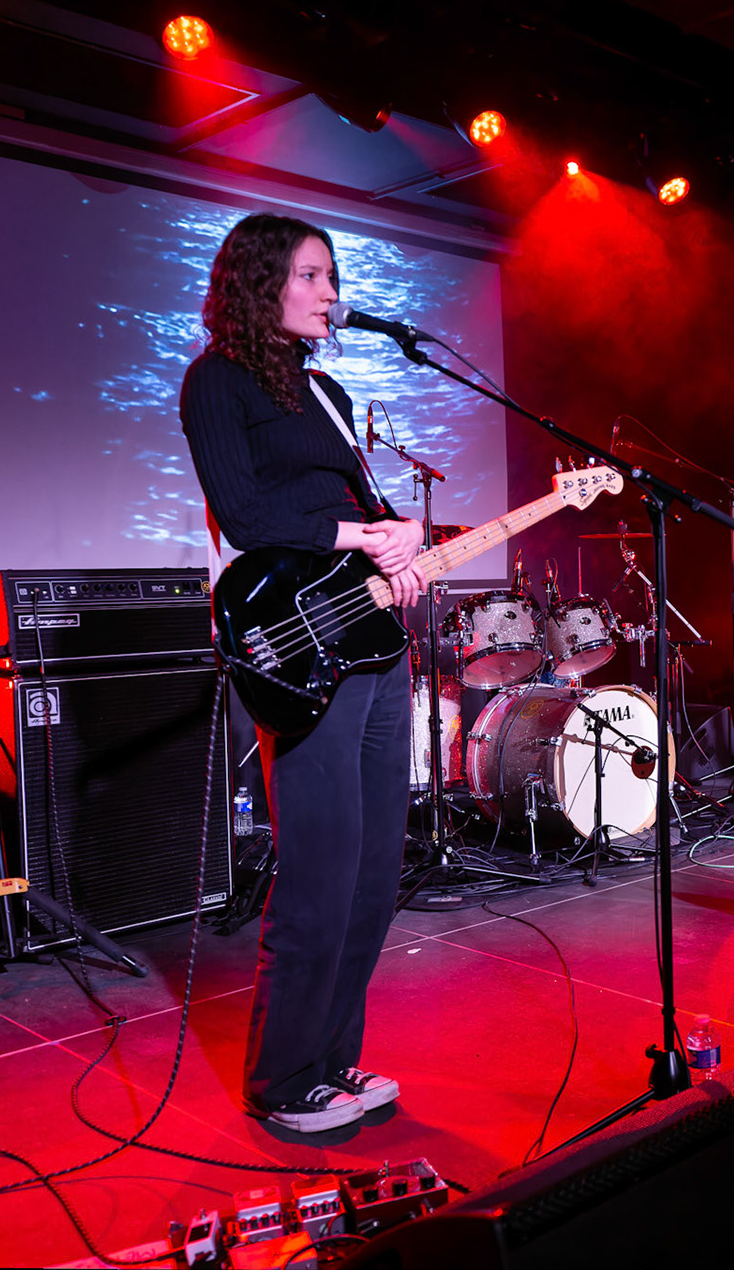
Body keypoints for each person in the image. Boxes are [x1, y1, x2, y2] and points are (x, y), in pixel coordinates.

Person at [181, 213, 429, 1132]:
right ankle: (283, 1080)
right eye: (316, 275)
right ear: (263, 281)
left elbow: (360, 500)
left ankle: (334, 1063)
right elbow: (244, 514)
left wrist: (401, 536)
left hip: (374, 640)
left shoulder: (322, 390)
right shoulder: (216, 380)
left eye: (334, 276)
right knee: (319, 871)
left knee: (372, 872)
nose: (333, 293)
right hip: (300, 640)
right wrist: (358, 537)